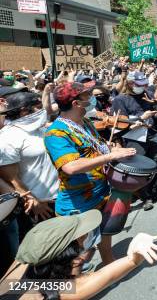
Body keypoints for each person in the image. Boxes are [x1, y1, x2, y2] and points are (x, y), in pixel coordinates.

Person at [44, 82, 137, 265]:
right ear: (76, 103)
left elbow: (98, 147)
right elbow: (70, 167)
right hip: (78, 204)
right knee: (80, 254)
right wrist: (109, 156)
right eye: (87, 95)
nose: (92, 98)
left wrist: (112, 148)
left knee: (104, 233)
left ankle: (109, 263)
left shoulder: (85, 122)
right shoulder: (55, 133)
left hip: (100, 193)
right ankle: (76, 289)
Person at [0, 210, 157, 300]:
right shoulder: (57, 292)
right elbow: (105, 276)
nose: (85, 235)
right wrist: (133, 258)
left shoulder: (25, 261)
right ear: (68, 255)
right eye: (80, 235)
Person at [111, 71, 157, 211]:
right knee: (140, 169)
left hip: (152, 133)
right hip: (133, 137)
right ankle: (146, 197)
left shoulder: (147, 94)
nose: (142, 87)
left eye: (144, 84)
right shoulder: (120, 100)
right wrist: (141, 118)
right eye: (138, 85)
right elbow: (120, 124)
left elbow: (155, 110)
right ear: (129, 84)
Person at [0, 91, 59, 227]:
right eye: (38, 106)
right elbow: (11, 179)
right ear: (23, 112)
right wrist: (33, 201)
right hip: (41, 206)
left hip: (60, 197)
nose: (42, 110)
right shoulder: (8, 138)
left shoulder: (40, 128)